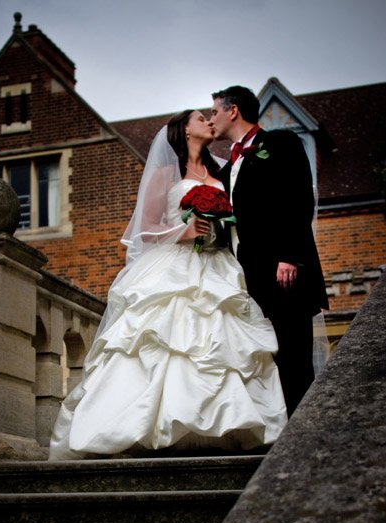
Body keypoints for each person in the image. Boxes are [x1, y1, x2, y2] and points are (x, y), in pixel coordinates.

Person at [48, 110, 287, 461]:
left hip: (217, 266)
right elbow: (143, 230)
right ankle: (139, 427)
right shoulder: (164, 174)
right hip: (175, 264)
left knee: (221, 344)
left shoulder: (221, 172)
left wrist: (216, 229)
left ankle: (224, 423)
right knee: (157, 343)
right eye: (201, 117)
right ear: (184, 130)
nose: (209, 121)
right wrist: (183, 231)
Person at [210, 85, 329, 416]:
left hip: (283, 271)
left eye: (215, 112)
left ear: (233, 110)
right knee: (263, 359)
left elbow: (298, 199)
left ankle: (301, 431)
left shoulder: (281, 144)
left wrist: (290, 256)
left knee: (293, 356)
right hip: (245, 279)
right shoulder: (226, 167)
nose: (211, 120)